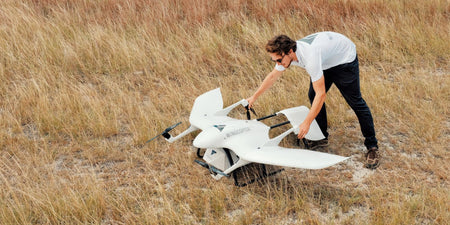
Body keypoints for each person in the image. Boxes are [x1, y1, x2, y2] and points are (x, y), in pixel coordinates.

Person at [246, 31, 380, 169]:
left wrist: (307, 123)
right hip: (325, 61)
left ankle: (372, 147)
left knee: (356, 102)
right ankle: (321, 137)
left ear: (290, 51)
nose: (277, 63)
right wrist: (254, 96)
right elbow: (273, 76)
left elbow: (321, 95)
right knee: (312, 95)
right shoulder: (287, 55)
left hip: (344, 59)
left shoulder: (310, 57)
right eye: (274, 61)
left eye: (279, 60)